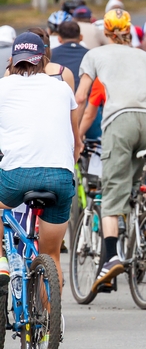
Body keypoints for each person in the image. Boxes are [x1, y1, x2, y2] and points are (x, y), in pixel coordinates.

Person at [75, 10, 146, 292]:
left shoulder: (95, 55)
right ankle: (145, 230)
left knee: (112, 192)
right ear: (130, 31)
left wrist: (75, 137)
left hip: (120, 121)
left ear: (106, 31)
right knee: (135, 185)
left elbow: (81, 97)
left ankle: (112, 255)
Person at [0, 33, 81, 290]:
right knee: (52, 255)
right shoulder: (61, 87)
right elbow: (75, 140)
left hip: (17, 176)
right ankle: (49, 326)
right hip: (60, 177)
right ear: (43, 60)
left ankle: (1, 261)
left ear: (12, 60)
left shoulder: (3, 87)